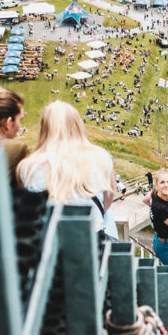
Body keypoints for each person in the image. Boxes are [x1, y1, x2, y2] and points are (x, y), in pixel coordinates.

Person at [17, 101, 118, 239]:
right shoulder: (100, 156)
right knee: (107, 215)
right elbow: (108, 199)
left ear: (44, 128)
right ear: (77, 125)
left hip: (49, 240)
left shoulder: (28, 166)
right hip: (91, 237)